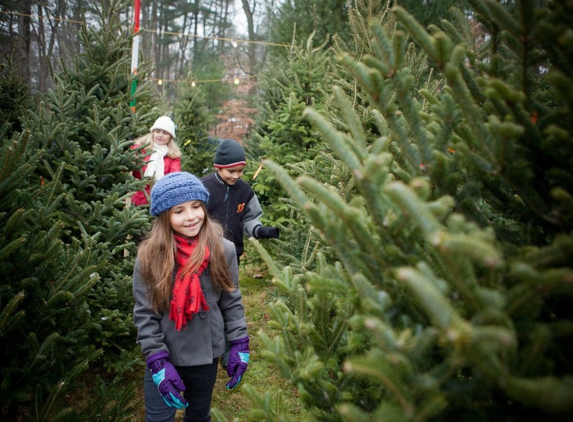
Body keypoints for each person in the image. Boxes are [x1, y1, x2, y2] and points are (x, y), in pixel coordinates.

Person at [132, 171, 250, 422]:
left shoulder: (222, 249)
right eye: (179, 211)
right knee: (158, 418)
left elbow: (231, 301)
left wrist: (239, 342)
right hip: (167, 353)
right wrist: (157, 361)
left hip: (206, 356)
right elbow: (145, 313)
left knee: (198, 415)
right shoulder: (149, 256)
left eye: (196, 206)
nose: (191, 217)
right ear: (165, 217)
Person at [200, 139, 279, 264]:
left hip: (233, 256)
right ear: (218, 167)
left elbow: (250, 218)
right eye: (231, 171)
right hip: (205, 255)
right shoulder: (203, 188)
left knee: (232, 284)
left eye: (240, 170)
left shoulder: (245, 191)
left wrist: (258, 230)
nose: (236, 176)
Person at [131, 116, 182, 206]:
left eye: (165, 133)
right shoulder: (140, 149)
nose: (160, 135)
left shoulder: (173, 156)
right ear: (153, 133)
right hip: (135, 200)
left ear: (170, 137)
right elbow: (127, 170)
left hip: (159, 201)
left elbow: (174, 178)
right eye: (157, 131)